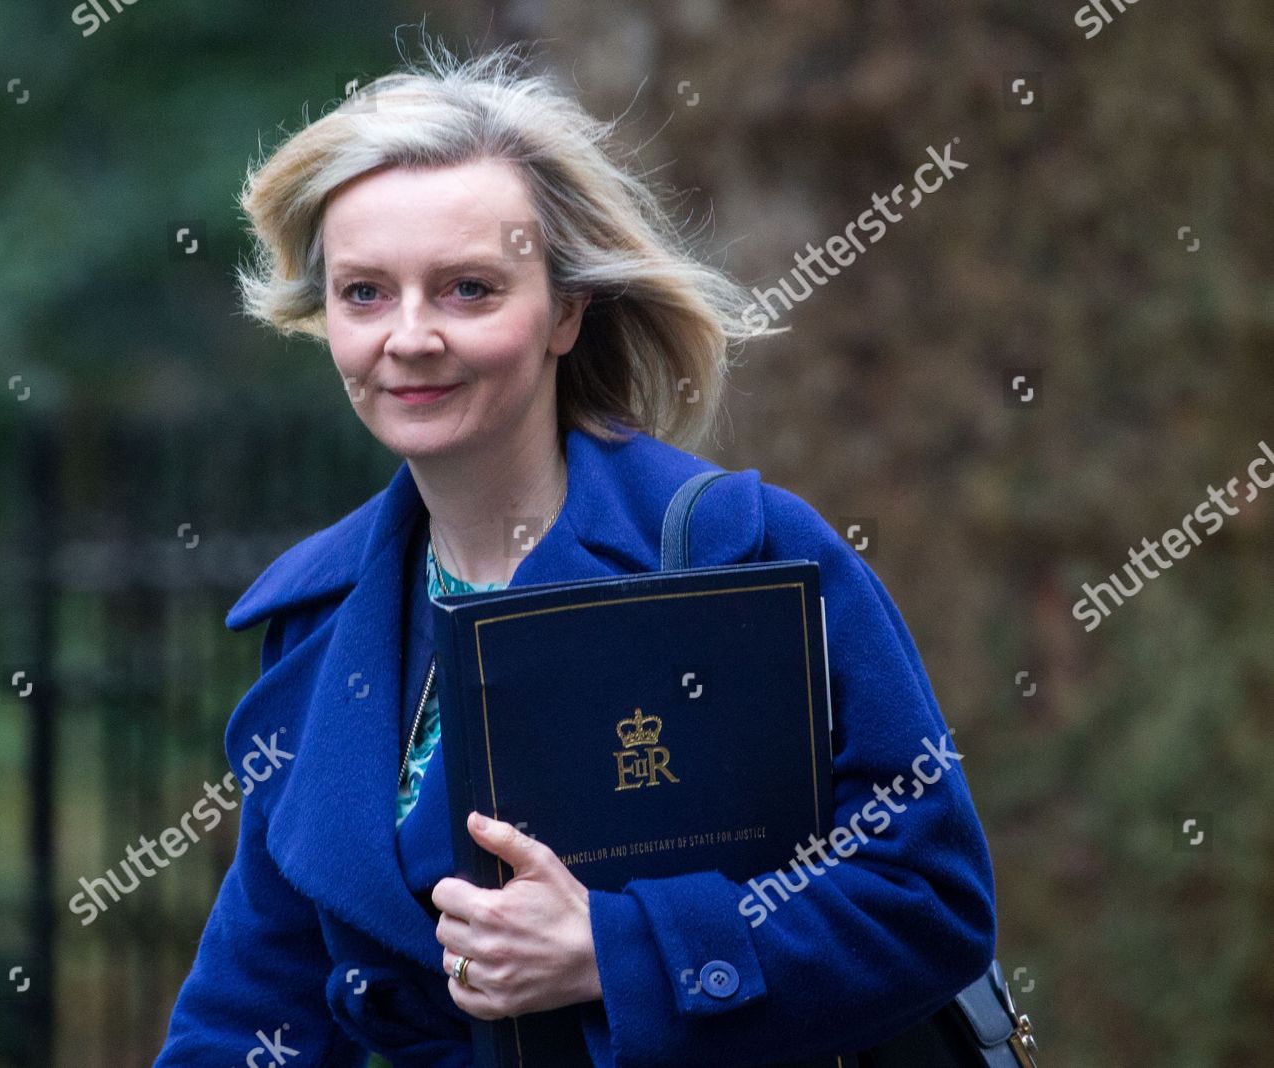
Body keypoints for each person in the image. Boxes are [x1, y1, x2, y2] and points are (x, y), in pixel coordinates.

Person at [154, 35, 996, 1068]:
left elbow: (929, 900)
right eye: (364, 293)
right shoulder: (320, 615)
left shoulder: (741, 550)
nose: (408, 336)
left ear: (565, 311)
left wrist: (619, 949)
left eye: (468, 289)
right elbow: (255, 1005)